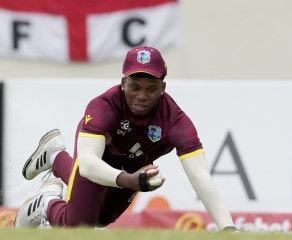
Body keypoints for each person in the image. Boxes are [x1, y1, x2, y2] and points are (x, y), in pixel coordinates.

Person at [14, 46, 237, 231]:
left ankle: (56, 157)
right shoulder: (103, 106)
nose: (141, 96)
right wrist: (128, 180)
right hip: (100, 160)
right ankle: (47, 202)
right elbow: (89, 164)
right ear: (123, 83)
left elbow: (200, 175)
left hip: (131, 170)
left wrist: (228, 228)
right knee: (79, 227)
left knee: (102, 219)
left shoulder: (176, 121)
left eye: (151, 89)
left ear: (163, 88)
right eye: (134, 87)